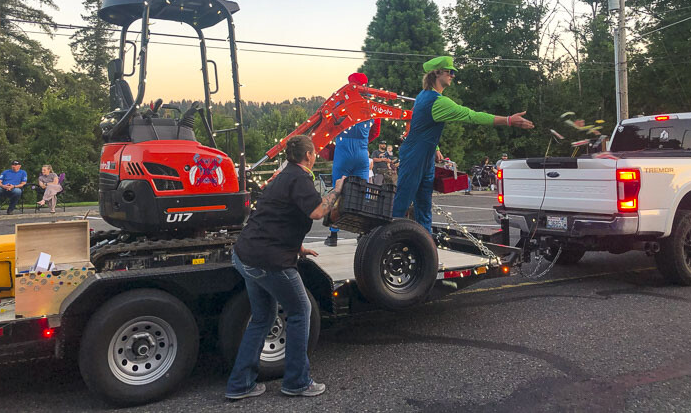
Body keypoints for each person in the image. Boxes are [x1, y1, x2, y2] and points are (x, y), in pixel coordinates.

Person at [225, 135, 345, 400]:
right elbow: (316, 212)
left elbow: (275, 217)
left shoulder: (282, 175)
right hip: (269, 260)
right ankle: (297, 382)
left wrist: (298, 248)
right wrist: (336, 190)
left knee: (262, 317)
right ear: (309, 155)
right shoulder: (300, 178)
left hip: (245, 254)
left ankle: (240, 384)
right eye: (315, 153)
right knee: (301, 310)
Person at [392, 56, 534, 233]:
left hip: (422, 154)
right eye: (450, 72)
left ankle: (424, 245)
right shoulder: (438, 101)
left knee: (423, 205)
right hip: (415, 155)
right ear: (437, 73)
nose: (453, 75)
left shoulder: (423, 96)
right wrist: (508, 120)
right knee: (403, 203)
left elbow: (415, 123)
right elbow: (471, 116)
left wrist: (435, 148)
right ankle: (385, 240)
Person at [324, 72, 381, 247]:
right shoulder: (372, 106)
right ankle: (362, 234)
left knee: (337, 191)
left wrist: (332, 149)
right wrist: (362, 143)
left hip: (343, 151)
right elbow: (376, 132)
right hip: (362, 153)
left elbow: (326, 127)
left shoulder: (341, 103)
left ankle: (333, 235)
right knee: (362, 192)